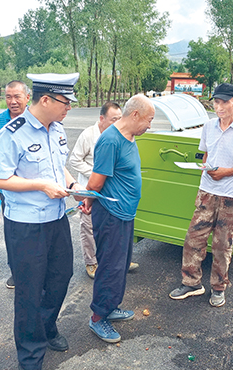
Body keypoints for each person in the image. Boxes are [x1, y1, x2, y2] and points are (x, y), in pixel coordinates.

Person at [0, 73, 85, 370]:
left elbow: (60, 167)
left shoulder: (56, 129)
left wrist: (76, 189)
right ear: (46, 100)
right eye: (65, 102)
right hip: (26, 225)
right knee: (29, 290)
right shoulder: (12, 133)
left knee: (60, 276)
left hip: (56, 219)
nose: (69, 107)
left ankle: (45, 326)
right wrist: (41, 185)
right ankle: (30, 355)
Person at [169, 83, 233, 308]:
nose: (218, 106)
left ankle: (219, 288)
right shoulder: (209, 127)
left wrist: (226, 173)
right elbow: (207, 155)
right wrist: (207, 168)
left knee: (222, 245)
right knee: (193, 238)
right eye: (216, 102)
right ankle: (191, 283)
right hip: (206, 193)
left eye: (223, 102)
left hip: (231, 197)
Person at [83, 94, 155, 343]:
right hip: (111, 214)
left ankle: (110, 307)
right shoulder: (110, 140)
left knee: (121, 265)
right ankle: (97, 318)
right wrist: (88, 200)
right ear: (135, 114)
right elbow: (95, 182)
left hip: (125, 213)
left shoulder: (130, 137)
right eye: (149, 120)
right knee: (110, 267)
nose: (150, 126)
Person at [69, 102, 139, 279]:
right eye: (113, 119)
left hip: (111, 193)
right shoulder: (89, 135)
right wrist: (97, 173)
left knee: (110, 232)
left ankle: (118, 259)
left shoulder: (122, 135)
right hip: (91, 188)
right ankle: (91, 262)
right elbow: (74, 160)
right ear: (102, 118)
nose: (117, 122)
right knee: (89, 227)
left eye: (119, 118)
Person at [0, 80, 30, 289]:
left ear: (27, 97)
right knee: (12, 231)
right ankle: (16, 271)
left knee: (34, 231)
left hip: (31, 185)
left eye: (17, 96)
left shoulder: (35, 118)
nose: (12, 101)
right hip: (8, 187)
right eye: (8, 97)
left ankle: (35, 270)